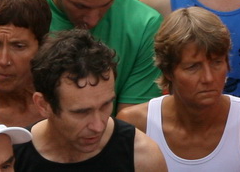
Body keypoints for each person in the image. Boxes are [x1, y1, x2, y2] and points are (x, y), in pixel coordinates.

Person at [118, 7, 240, 167]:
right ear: (168, 71)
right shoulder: (134, 125)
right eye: (193, 67)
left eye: (216, 62)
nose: (208, 78)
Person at [36, 0, 167, 109]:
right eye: (80, 6)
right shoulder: (21, 21)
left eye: (106, 4)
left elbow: (133, 122)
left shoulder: (145, 25)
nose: (92, 20)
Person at [19, 30, 164, 172]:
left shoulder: (141, 156)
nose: (98, 126)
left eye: (105, 105)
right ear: (43, 105)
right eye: (81, 112)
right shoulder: (11, 158)